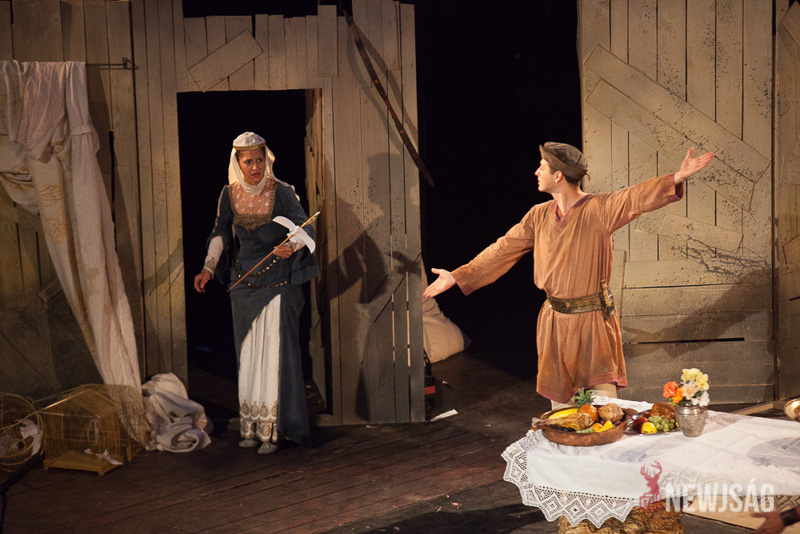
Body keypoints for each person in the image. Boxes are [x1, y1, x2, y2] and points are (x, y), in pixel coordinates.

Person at [423, 142, 714, 408]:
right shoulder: (538, 215)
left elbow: (635, 197)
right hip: (555, 321)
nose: (537, 172)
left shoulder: (600, 209)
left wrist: (677, 177)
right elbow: (503, 249)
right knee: (563, 411)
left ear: (559, 175)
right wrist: (458, 276)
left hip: (592, 320)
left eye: (542, 166)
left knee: (604, 406)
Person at [193, 132, 319, 454]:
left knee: (273, 357)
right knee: (249, 357)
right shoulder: (229, 194)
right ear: (237, 163)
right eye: (248, 161)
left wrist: (292, 245)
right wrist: (209, 268)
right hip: (244, 286)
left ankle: (274, 431)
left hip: (278, 285)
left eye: (259, 160)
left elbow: (306, 227)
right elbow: (220, 232)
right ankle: (252, 427)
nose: (255, 167)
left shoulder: (282, 192)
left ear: (267, 160)